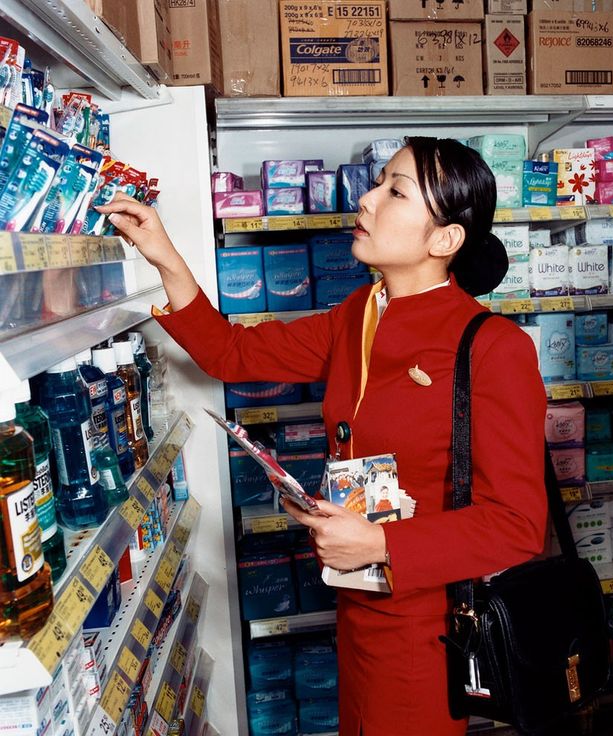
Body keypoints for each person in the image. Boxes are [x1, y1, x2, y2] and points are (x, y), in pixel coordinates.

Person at [97, 136, 548, 736]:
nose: (366, 199)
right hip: (355, 605)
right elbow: (230, 353)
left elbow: (518, 525)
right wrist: (162, 253)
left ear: (444, 240)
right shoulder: (360, 312)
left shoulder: (494, 349)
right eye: (378, 181)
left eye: (395, 191)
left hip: (427, 625)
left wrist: (384, 546)